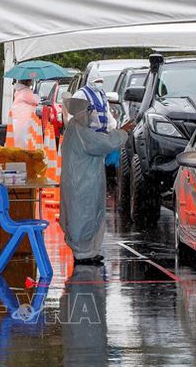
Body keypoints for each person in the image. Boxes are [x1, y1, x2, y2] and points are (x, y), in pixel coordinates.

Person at [59, 97, 135, 266]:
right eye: (88, 111)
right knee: (83, 217)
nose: (90, 115)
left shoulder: (76, 130)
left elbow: (99, 141)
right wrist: (122, 132)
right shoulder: (79, 131)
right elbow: (103, 143)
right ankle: (83, 253)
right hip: (82, 184)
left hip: (82, 182)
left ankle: (88, 252)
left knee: (87, 215)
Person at [10, 79, 39, 148]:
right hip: (24, 119)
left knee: (17, 139)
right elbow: (35, 100)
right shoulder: (26, 91)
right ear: (28, 82)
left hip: (16, 118)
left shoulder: (18, 91)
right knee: (25, 139)